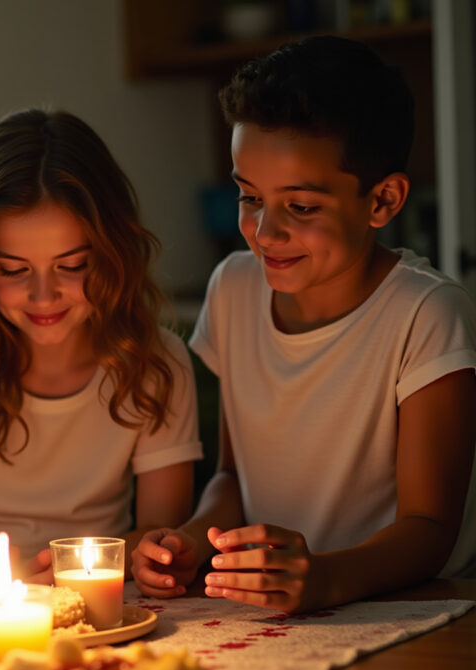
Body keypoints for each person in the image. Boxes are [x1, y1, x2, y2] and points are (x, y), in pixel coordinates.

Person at [132, 35, 476, 612]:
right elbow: (233, 478)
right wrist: (193, 540)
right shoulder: (233, 289)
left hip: (412, 611)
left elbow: (430, 528)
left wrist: (325, 578)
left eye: (302, 207)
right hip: (276, 609)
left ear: (383, 200)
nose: (265, 232)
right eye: (249, 197)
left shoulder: (427, 314)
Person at [0, 109, 202, 601]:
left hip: (105, 601)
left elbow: (159, 534)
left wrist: (75, 572)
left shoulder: (155, 365)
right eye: (14, 270)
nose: (43, 295)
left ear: (112, 256)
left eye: (71, 266)